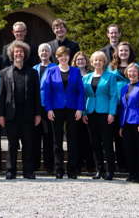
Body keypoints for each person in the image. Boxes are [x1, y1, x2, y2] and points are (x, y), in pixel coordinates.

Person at [0, 41, 41, 179]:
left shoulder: (33, 73)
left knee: (28, 144)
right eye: (16, 51)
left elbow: (37, 95)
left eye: (21, 52)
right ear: (12, 54)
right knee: (12, 144)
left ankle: (28, 171)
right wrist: (1, 115)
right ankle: (11, 171)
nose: (18, 54)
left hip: (28, 114)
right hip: (11, 115)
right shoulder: (4, 73)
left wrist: (38, 113)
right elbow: (1, 95)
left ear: (25, 54)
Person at [43, 46, 85, 179]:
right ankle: (59, 169)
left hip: (72, 109)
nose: (64, 57)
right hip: (56, 109)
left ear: (69, 57)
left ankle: (72, 170)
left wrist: (80, 109)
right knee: (57, 140)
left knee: (73, 140)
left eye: (66, 55)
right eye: (61, 55)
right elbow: (47, 91)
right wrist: (48, 109)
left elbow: (80, 92)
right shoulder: (51, 71)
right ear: (57, 57)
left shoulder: (76, 71)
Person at [82, 51, 119, 180]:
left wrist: (112, 113)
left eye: (100, 60)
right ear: (92, 63)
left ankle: (110, 171)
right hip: (90, 113)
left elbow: (114, 95)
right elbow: (84, 96)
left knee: (107, 143)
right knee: (95, 143)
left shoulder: (110, 76)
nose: (97, 62)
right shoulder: (86, 78)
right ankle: (100, 170)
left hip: (105, 113)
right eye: (95, 60)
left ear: (104, 62)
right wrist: (84, 112)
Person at [109, 41, 139, 172]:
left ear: (130, 52)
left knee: (130, 136)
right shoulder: (111, 68)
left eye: (126, 51)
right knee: (118, 135)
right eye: (121, 51)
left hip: (132, 107)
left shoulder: (136, 67)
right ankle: (121, 163)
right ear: (117, 53)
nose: (123, 53)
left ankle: (132, 164)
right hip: (117, 105)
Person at [119, 63, 139, 183]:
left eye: (134, 72)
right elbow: (123, 107)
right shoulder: (124, 88)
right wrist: (121, 125)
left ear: (138, 73)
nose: (132, 74)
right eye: (130, 72)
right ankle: (132, 173)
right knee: (129, 149)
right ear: (127, 73)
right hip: (127, 122)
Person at [32, 43, 56, 173]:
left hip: (50, 106)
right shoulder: (34, 68)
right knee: (35, 136)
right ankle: (35, 165)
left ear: (50, 53)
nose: (44, 53)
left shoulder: (55, 68)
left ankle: (49, 165)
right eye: (42, 51)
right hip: (36, 106)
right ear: (38, 53)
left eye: (46, 51)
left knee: (49, 136)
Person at [71, 51, 95, 174]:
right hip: (75, 110)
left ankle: (91, 164)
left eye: (82, 59)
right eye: (78, 60)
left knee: (89, 139)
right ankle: (78, 165)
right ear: (75, 61)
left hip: (88, 110)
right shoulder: (72, 74)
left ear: (87, 61)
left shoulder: (91, 75)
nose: (80, 61)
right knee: (77, 138)